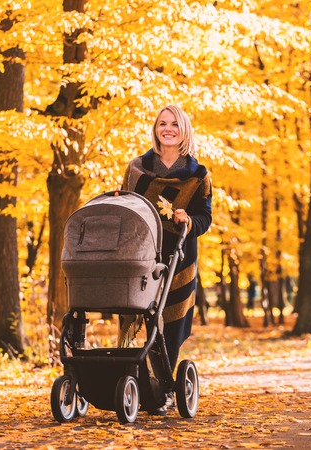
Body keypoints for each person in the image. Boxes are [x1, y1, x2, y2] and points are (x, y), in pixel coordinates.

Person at [121, 104, 212, 415]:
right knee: (142, 312)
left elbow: (205, 218)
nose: (168, 128)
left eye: (174, 123)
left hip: (180, 256)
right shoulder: (137, 169)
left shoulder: (198, 175)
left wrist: (188, 220)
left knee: (171, 322)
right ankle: (142, 382)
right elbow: (125, 206)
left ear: (183, 129)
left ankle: (164, 388)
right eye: (162, 123)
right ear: (156, 129)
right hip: (141, 253)